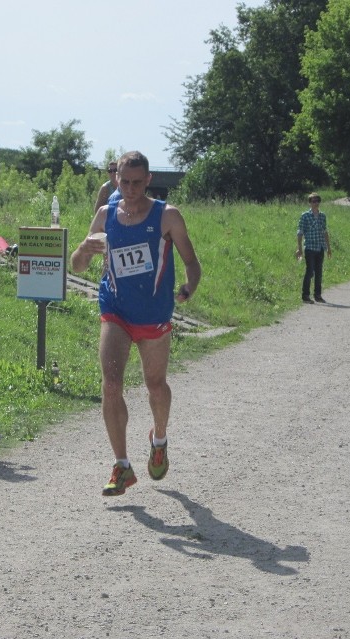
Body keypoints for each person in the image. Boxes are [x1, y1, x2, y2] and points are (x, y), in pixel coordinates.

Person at [71, 151, 201, 496]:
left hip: (154, 313)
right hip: (115, 308)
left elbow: (191, 261)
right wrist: (84, 249)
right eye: (123, 181)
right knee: (111, 383)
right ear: (117, 180)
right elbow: (77, 267)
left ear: (148, 181)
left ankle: (159, 439)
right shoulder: (105, 214)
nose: (129, 188)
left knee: (155, 385)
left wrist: (188, 287)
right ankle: (122, 466)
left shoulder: (167, 216)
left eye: (136, 182)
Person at [295, 192, 332, 304]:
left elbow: (325, 231)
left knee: (319, 272)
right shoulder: (305, 216)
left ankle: (317, 295)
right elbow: (300, 232)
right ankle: (305, 296)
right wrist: (299, 248)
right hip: (310, 247)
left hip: (320, 247)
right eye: (313, 201)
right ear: (310, 203)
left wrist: (328, 248)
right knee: (310, 271)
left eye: (318, 200)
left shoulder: (322, 216)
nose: (316, 203)